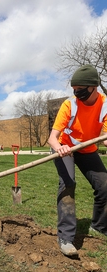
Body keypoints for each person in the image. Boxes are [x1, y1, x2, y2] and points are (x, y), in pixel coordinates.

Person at [48, 64, 107, 257]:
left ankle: (98, 227)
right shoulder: (69, 104)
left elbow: (105, 137)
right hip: (66, 148)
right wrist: (60, 148)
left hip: (88, 149)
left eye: (79, 89)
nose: (76, 93)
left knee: (105, 186)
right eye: (73, 89)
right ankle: (65, 238)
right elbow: (52, 138)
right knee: (68, 184)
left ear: (93, 87)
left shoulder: (105, 104)